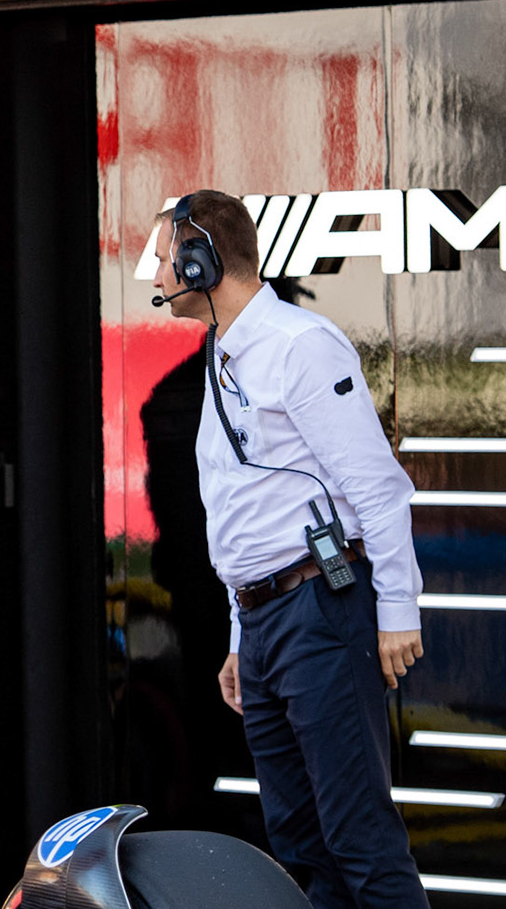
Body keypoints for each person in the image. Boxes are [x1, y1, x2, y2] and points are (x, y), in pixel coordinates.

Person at [151, 191, 427, 909]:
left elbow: (379, 488)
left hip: (319, 611)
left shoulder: (301, 346)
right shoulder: (224, 353)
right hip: (268, 623)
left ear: (199, 261)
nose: (154, 277)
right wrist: (243, 635)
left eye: (161, 260)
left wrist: (397, 609)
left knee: (358, 838)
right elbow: (247, 511)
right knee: (301, 847)